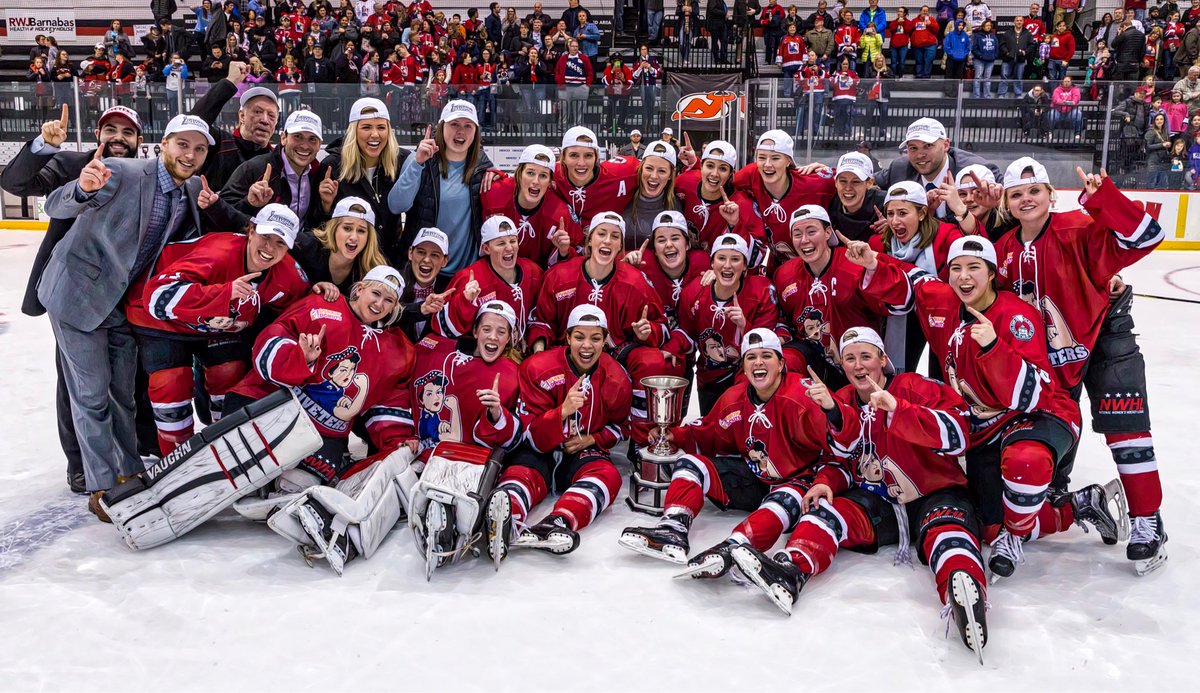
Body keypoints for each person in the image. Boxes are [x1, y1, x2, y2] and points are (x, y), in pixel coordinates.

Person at [848, 233, 1120, 580]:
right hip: (983, 430)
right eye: (956, 268)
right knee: (988, 526)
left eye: (974, 268)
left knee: (1025, 464)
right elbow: (913, 282)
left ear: (992, 273)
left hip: (1038, 415)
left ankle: (1016, 533)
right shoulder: (942, 300)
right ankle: (1081, 506)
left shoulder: (1016, 316)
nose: (964, 277)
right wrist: (874, 263)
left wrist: (993, 348)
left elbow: (1030, 393)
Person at [733, 328, 987, 659]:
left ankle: (966, 594)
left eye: (866, 356)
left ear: (884, 359)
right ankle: (790, 571)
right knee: (822, 512)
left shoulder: (915, 386)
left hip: (935, 493)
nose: (857, 365)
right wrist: (826, 481)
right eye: (850, 358)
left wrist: (899, 410)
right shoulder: (839, 399)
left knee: (949, 534)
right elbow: (838, 459)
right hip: (878, 503)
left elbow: (960, 432)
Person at [992, 158, 1168, 574]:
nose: (1027, 199)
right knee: (1051, 442)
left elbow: (1147, 235)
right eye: (1017, 194)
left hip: (1106, 336)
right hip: (1051, 361)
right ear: (1008, 203)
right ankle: (1063, 502)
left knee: (1127, 432)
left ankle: (1147, 519)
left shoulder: (1078, 227)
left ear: (1051, 195)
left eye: (1035, 191)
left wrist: (1101, 199)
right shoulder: (1003, 251)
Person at [41, 114, 215, 521]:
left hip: (120, 304)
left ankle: (129, 470)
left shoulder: (190, 189)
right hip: (76, 296)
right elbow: (55, 204)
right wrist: (82, 188)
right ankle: (100, 485)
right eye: (182, 145)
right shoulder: (121, 172)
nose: (190, 155)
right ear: (164, 143)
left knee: (122, 393)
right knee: (91, 394)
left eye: (199, 149)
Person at [2, 105, 150, 493]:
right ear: (98, 135)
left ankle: (123, 461)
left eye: (128, 132)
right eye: (111, 130)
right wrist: (42, 146)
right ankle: (80, 465)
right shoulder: (70, 163)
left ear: (139, 141)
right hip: (74, 294)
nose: (118, 138)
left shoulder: (143, 176)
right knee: (77, 387)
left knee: (121, 387)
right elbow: (16, 184)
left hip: (122, 295)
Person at [618, 328, 841, 579]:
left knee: (783, 501)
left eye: (766, 356)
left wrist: (824, 479)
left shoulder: (803, 396)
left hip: (798, 484)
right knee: (690, 463)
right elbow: (707, 432)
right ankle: (673, 528)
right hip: (755, 479)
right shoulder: (734, 398)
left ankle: (732, 548)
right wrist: (675, 435)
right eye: (751, 357)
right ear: (743, 368)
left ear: (781, 364)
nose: (758, 362)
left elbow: (837, 449)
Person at [125, 204, 312, 454]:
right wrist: (223, 293)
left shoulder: (288, 276)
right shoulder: (218, 253)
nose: (270, 249)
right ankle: (177, 454)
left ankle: (224, 443)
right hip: (160, 320)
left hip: (216, 328)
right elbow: (156, 298)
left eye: (280, 243)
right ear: (251, 230)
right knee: (171, 383)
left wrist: (323, 292)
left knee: (229, 372)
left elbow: (300, 309)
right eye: (266, 237)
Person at [225, 265, 416, 495]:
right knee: (248, 474)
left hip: (325, 434)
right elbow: (271, 339)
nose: (379, 304)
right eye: (375, 294)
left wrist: (398, 440)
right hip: (275, 409)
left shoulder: (398, 349)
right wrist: (300, 359)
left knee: (296, 484)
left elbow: (389, 400)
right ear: (360, 289)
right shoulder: (323, 307)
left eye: (388, 300)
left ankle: (273, 477)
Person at [528, 212, 681, 450]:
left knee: (652, 361)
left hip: (616, 351)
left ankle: (641, 444)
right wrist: (539, 350)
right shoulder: (560, 275)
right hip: (567, 350)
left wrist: (647, 331)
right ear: (589, 240)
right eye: (602, 234)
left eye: (614, 236)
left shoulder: (635, 281)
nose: (607, 241)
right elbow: (542, 321)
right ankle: (542, 435)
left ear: (621, 246)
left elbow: (662, 327)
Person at [491, 305, 631, 556]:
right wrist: (562, 412)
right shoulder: (538, 368)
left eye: (595, 338)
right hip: (538, 452)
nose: (587, 346)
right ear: (567, 338)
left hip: (582, 454)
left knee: (609, 476)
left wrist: (593, 438)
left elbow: (622, 427)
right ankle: (503, 521)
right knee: (519, 472)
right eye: (579, 337)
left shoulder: (616, 378)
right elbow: (528, 435)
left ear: (605, 341)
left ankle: (559, 522)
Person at [674, 234, 781, 412]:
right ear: (712, 263)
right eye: (721, 258)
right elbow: (687, 334)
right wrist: (670, 349)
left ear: (745, 265)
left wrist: (744, 326)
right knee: (714, 434)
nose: (727, 265)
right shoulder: (693, 292)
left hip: (750, 375)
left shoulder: (761, 291)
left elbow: (769, 346)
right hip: (710, 378)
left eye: (735, 259)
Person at [388, 100, 494, 278]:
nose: (461, 131)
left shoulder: (484, 169)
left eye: (468, 126)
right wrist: (417, 164)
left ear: (476, 132)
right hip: (424, 272)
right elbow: (396, 206)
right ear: (442, 127)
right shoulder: (420, 161)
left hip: (466, 274)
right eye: (454, 124)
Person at [409, 300, 522, 458]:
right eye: (486, 329)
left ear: (510, 337)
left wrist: (496, 414)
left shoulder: (512, 375)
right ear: (475, 331)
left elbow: (511, 442)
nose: (493, 337)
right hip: (417, 450)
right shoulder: (434, 349)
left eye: (501, 332)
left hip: (463, 463)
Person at [314, 97, 403, 259]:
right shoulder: (333, 167)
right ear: (353, 131)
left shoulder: (400, 162)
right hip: (349, 265)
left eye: (381, 127)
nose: (375, 134)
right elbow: (317, 227)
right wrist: (325, 206)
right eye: (366, 127)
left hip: (388, 264)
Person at [435, 215, 544, 344]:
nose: (509, 248)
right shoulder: (468, 279)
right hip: (483, 355)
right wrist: (465, 301)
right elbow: (442, 329)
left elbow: (542, 317)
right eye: (501, 243)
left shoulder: (533, 272)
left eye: (513, 241)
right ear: (486, 248)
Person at [732, 130, 836, 254]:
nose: (767, 164)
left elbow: (852, 182)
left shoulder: (812, 183)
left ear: (788, 161)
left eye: (775, 158)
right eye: (761, 157)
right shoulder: (751, 174)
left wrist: (829, 171)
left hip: (816, 260)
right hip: (779, 265)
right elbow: (721, 182)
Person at [873, 117, 1001, 219]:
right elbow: (865, 184)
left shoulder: (976, 170)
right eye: (913, 148)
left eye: (928, 146)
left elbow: (1009, 196)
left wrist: (999, 198)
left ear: (946, 145)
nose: (920, 155)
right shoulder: (899, 168)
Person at [186, 61, 279, 191]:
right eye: (257, 112)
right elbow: (193, 123)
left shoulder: (277, 160)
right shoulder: (218, 143)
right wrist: (229, 82)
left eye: (271, 115)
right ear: (242, 116)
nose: (265, 120)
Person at [221, 109, 323, 224]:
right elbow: (221, 212)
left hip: (300, 241)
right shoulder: (255, 168)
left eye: (312, 139)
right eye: (297, 136)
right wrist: (249, 204)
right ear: (284, 138)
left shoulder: (319, 174)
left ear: (319, 145)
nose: (305, 146)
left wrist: (326, 205)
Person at [674, 140, 766, 255]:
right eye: (710, 166)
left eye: (722, 169)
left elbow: (761, 253)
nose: (714, 174)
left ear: (731, 174)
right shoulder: (684, 183)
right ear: (701, 166)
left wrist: (735, 225)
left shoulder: (742, 205)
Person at [292, 197, 388, 296]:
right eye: (347, 228)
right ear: (334, 229)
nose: (354, 237)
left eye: (361, 231)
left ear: (369, 237)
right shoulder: (307, 245)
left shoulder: (373, 269)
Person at [552, 125, 640, 228]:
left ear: (596, 158)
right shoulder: (550, 174)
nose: (581, 163)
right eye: (574, 155)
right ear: (563, 158)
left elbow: (652, 167)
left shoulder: (622, 174)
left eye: (588, 155)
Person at [622, 140, 686, 248]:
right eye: (649, 168)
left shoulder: (677, 205)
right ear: (641, 168)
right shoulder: (623, 197)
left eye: (662, 171)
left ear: (671, 174)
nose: (654, 176)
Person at [632, 44, 663, 132]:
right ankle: (644, 125)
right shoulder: (637, 61)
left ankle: (650, 124)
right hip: (642, 86)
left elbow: (657, 73)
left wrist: (650, 67)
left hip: (652, 85)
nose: (644, 51)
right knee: (644, 106)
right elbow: (634, 76)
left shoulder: (652, 60)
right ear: (640, 51)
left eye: (645, 49)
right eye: (642, 49)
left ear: (647, 50)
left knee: (651, 106)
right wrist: (640, 67)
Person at [910, 6, 941, 79]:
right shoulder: (914, 20)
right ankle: (919, 75)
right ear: (920, 11)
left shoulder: (932, 20)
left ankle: (926, 76)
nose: (925, 12)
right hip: (918, 45)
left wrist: (930, 24)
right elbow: (910, 31)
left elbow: (937, 30)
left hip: (930, 45)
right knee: (919, 61)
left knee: (929, 61)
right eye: (923, 10)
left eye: (926, 11)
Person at [971, 19, 999, 98]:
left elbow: (997, 48)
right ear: (983, 26)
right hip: (979, 60)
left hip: (990, 61)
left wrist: (994, 56)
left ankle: (987, 96)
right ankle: (976, 96)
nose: (988, 27)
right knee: (978, 77)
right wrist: (980, 55)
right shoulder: (978, 36)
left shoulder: (994, 37)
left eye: (989, 25)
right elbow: (974, 49)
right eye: (986, 25)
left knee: (987, 78)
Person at [943, 18, 971, 87]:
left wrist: (963, 55)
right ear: (956, 25)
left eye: (962, 25)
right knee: (949, 76)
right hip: (951, 59)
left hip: (961, 60)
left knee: (959, 76)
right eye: (959, 25)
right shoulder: (950, 35)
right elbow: (946, 46)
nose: (960, 27)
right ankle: (948, 93)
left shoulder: (965, 35)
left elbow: (968, 47)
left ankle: (957, 94)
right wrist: (952, 54)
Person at [887, 6, 913, 77]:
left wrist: (903, 23)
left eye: (901, 11)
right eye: (898, 11)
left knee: (901, 62)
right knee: (893, 63)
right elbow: (891, 30)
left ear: (904, 14)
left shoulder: (908, 22)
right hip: (893, 45)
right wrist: (897, 23)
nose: (899, 13)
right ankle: (893, 77)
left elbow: (908, 30)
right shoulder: (894, 22)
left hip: (903, 45)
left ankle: (900, 77)